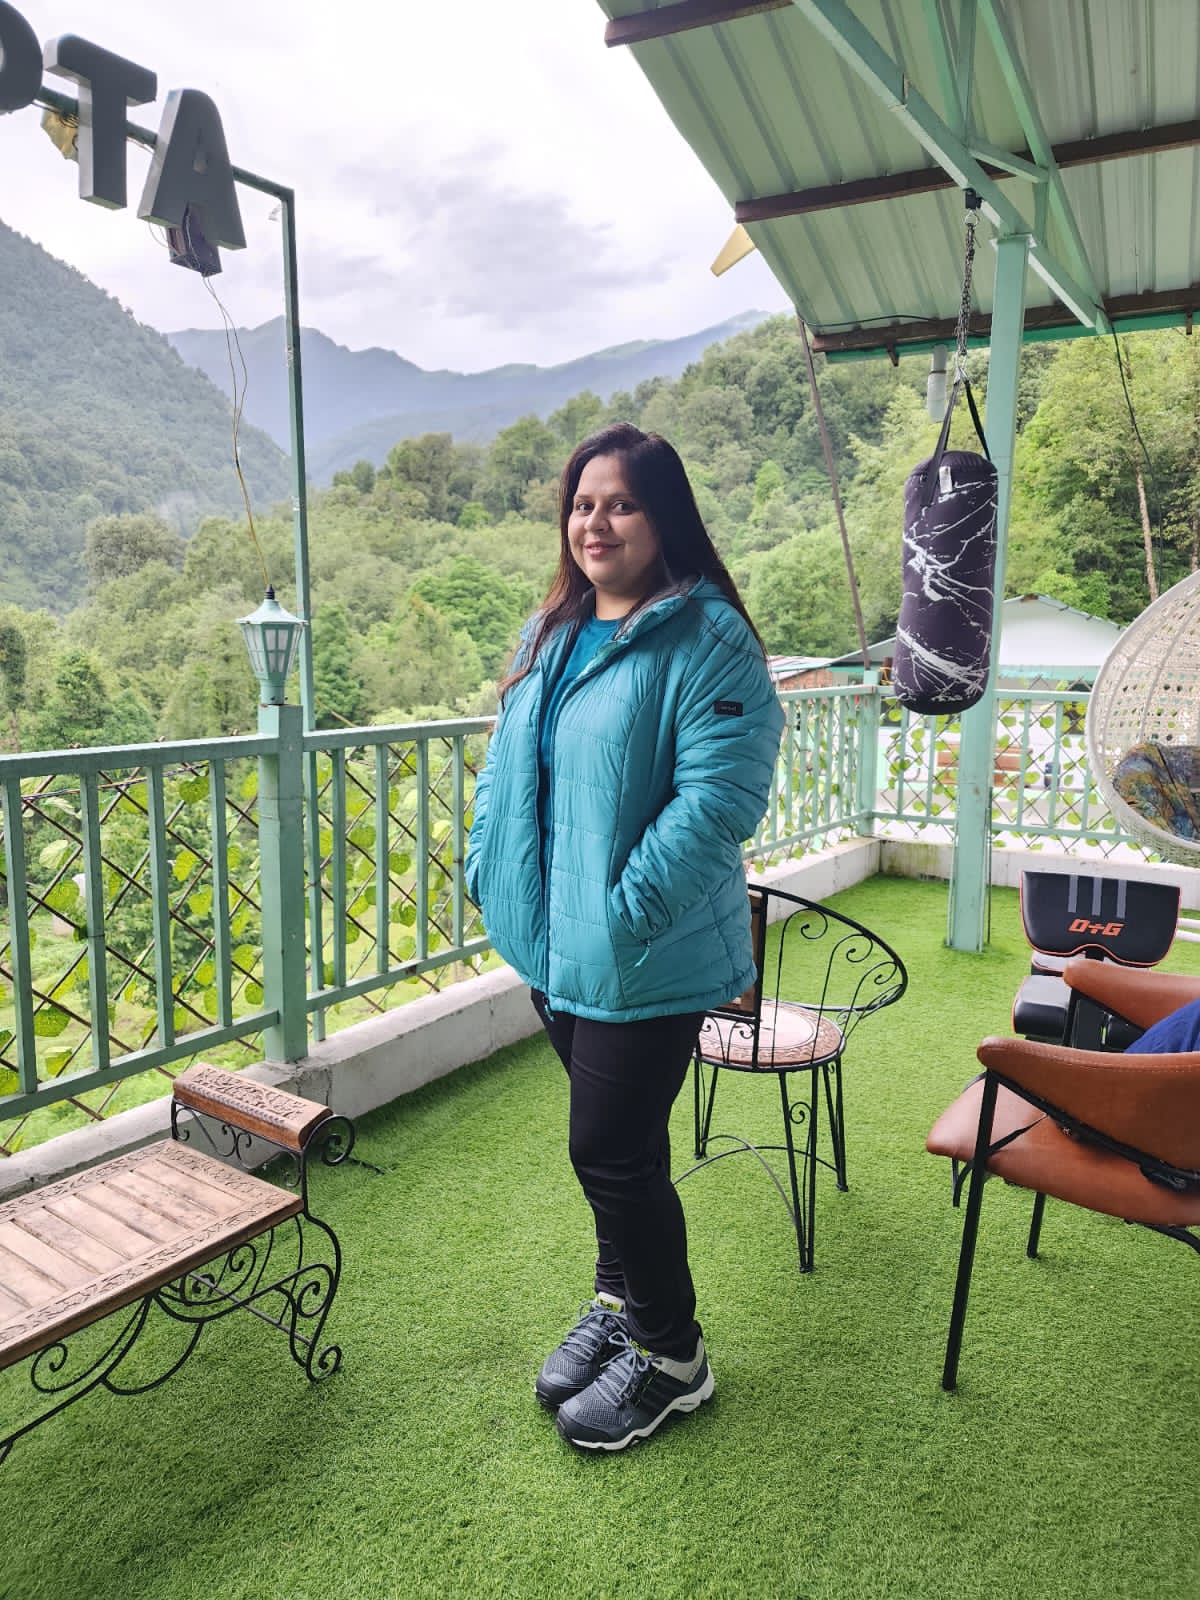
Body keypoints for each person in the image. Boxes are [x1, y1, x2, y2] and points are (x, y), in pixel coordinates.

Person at [465, 423, 784, 1451]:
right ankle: (619, 1301)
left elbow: (718, 800)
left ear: (664, 517)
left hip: (642, 951)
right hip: (553, 942)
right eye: (582, 503)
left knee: (606, 1152)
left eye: (621, 503)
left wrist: (624, 910)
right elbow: (503, 767)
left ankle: (674, 1357)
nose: (594, 522)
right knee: (628, 1147)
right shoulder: (553, 628)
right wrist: (485, 864)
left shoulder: (708, 637)